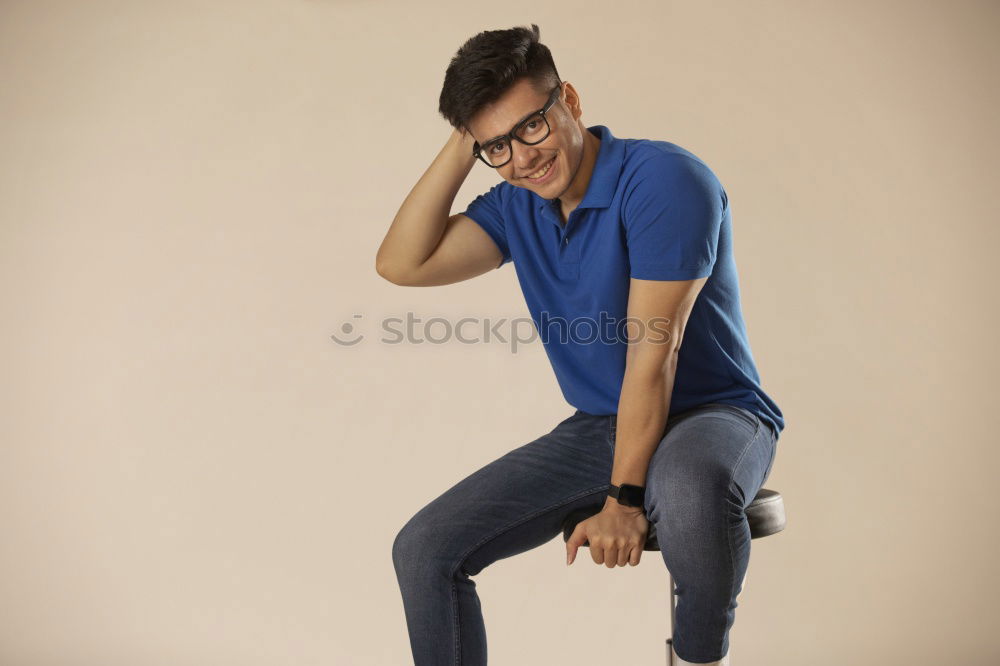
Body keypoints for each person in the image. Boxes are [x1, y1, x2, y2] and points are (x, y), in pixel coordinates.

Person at [376, 23, 784, 666]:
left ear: (568, 98)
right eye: (496, 147)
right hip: (602, 424)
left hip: (714, 412)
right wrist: (464, 145)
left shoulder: (663, 180)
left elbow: (655, 354)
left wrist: (623, 499)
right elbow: (403, 263)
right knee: (425, 550)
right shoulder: (517, 206)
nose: (523, 158)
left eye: (531, 127)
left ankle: (700, 660)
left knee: (687, 488)